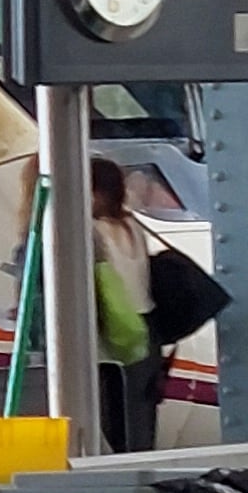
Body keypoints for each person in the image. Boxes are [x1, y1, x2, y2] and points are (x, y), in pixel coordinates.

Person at [87, 158, 157, 458]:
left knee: (112, 417)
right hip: (146, 327)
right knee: (140, 417)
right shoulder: (132, 226)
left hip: (114, 330)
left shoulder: (91, 231)